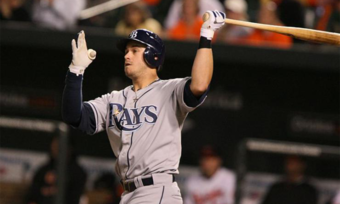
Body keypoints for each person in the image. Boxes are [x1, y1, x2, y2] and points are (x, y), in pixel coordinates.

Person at [62, 9, 226, 204]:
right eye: (126, 51)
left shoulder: (169, 90)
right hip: (128, 193)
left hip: (157, 190)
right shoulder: (114, 99)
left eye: (134, 51)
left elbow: (199, 85)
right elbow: (74, 116)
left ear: (152, 56)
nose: (127, 56)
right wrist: (76, 71)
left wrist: (206, 35)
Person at [25, 135, 87, 204]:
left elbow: (74, 198)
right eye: (54, 147)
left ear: (69, 148)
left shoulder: (78, 173)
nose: (55, 150)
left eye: (59, 147)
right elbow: (32, 195)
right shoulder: (44, 170)